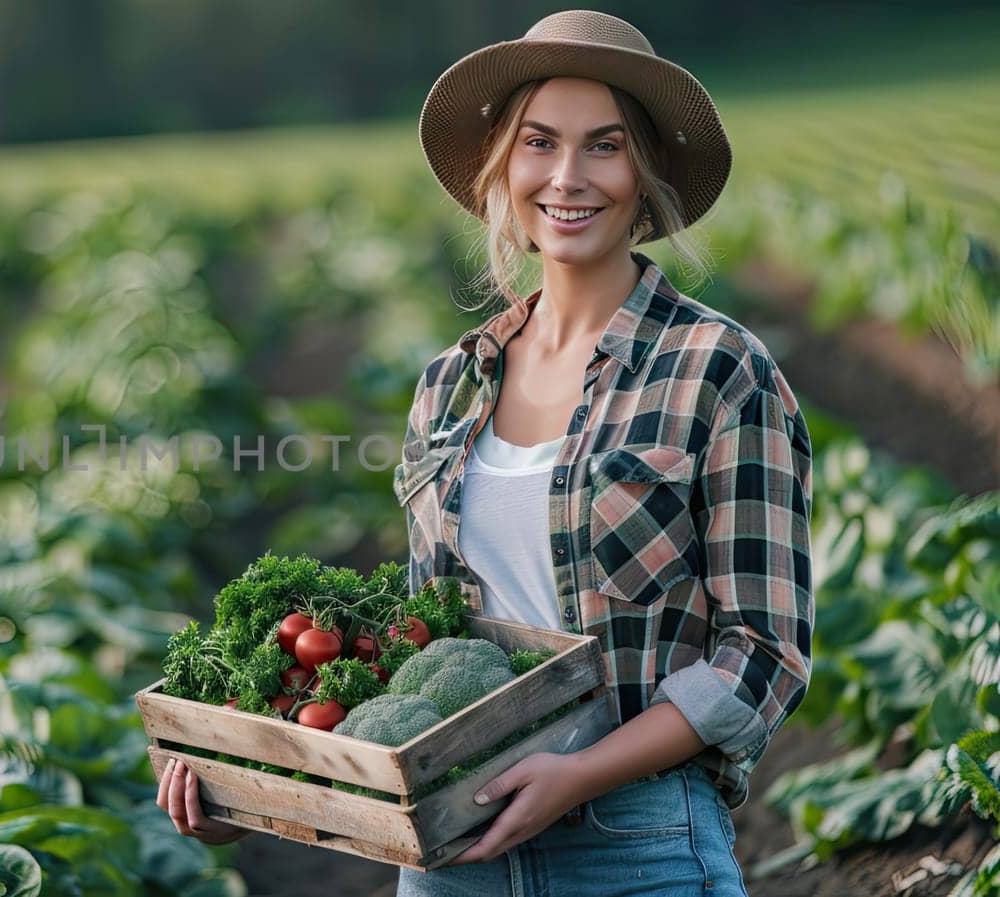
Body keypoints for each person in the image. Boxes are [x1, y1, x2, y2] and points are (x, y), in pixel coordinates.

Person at [162, 10, 813, 896]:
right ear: (505, 168)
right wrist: (261, 781)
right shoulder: (448, 387)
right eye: (540, 143)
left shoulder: (719, 370)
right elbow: (426, 641)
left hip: (637, 841)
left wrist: (579, 775)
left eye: (605, 146)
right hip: (450, 853)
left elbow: (763, 653)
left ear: (643, 175)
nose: (568, 176)